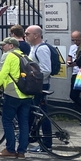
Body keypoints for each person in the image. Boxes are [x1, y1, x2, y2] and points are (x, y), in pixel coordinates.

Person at [0, 37, 34, 158]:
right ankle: (21, 152)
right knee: (23, 122)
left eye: (4, 45)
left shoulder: (9, 56)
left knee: (7, 120)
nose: (2, 47)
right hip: (27, 93)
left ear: (11, 46)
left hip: (13, 93)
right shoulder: (26, 56)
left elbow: (2, 73)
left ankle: (10, 149)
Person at [25, 25, 54, 153]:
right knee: (33, 111)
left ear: (36, 35)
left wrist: (32, 77)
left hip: (40, 85)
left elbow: (46, 69)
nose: (25, 36)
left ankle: (47, 144)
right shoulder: (34, 48)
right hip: (36, 85)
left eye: (27, 33)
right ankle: (29, 138)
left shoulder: (41, 49)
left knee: (42, 113)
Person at [67, 30, 81, 114]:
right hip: (75, 74)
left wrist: (76, 63)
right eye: (73, 40)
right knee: (73, 96)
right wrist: (69, 62)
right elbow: (69, 57)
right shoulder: (72, 47)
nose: (75, 42)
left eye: (77, 40)